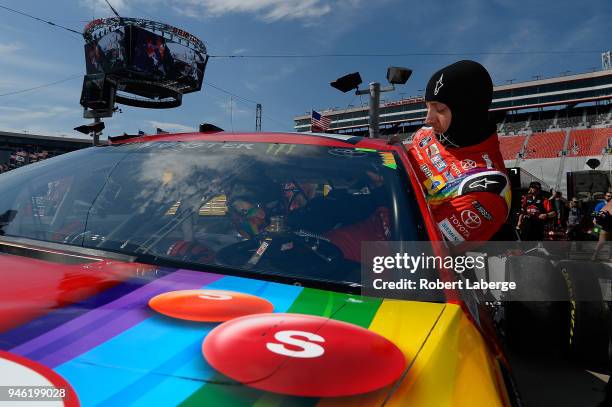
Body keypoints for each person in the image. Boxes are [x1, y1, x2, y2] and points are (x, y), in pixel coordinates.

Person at [407, 60, 511, 246]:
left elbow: (422, 250)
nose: (428, 119)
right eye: (427, 106)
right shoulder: (425, 134)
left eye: (440, 109)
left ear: (466, 110)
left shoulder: (487, 189)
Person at [591, 191, 612, 261]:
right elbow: (594, 214)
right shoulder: (600, 204)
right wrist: (601, 215)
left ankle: (610, 257)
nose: (609, 197)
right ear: (605, 196)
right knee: (601, 242)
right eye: (608, 196)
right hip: (603, 226)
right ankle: (594, 255)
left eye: (611, 196)